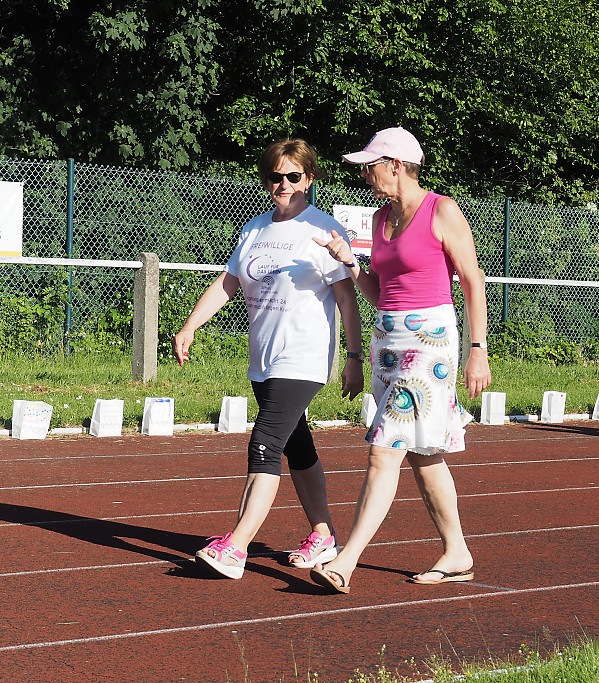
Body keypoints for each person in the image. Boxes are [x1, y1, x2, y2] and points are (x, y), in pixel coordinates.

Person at [308, 126, 491, 594]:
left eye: (370, 165)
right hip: (388, 339)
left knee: (384, 447)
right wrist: (349, 262)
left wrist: (478, 350)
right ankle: (457, 552)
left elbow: (473, 282)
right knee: (422, 454)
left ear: (395, 164)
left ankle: (344, 562)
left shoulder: (442, 210)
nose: (366, 175)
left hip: (430, 343)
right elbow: (378, 292)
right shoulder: (377, 219)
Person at [173, 138, 365, 579]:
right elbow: (228, 282)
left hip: (303, 358)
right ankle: (323, 535)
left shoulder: (323, 230)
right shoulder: (255, 229)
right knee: (297, 447)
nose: (284, 184)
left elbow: (348, 301)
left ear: (309, 179)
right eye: (276, 176)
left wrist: (353, 357)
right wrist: (190, 325)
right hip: (264, 359)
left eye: (293, 177)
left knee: (265, 443)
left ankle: (236, 547)